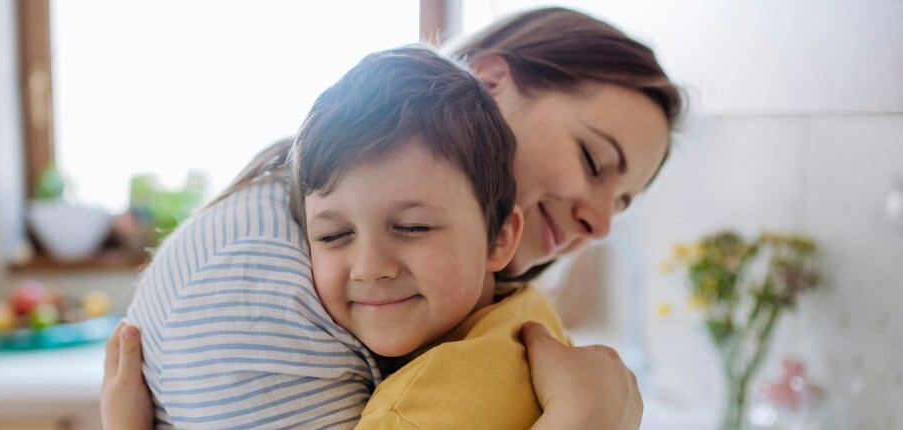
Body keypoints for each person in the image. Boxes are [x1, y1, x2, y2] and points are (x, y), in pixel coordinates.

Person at [108, 6, 683, 430]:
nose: (601, 224)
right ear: (489, 83)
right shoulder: (260, 283)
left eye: (624, 201)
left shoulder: (460, 314)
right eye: (594, 161)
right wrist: (584, 420)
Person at [293, 45, 568, 428]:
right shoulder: (527, 310)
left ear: (500, 238)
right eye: (335, 235)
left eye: (412, 227)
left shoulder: (410, 416)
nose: (369, 268)